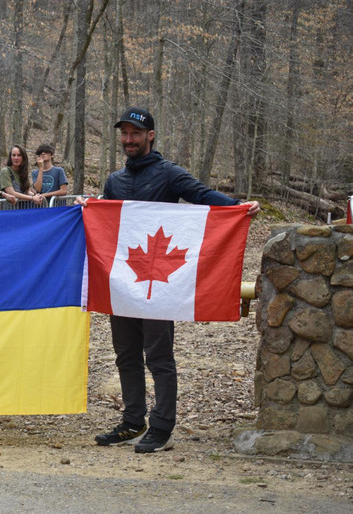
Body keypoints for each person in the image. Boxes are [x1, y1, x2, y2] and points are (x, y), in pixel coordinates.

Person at [90, 107, 260, 453]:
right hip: (124, 283)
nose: (128, 140)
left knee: (159, 356)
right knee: (125, 355)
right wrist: (88, 208)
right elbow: (107, 224)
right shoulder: (115, 180)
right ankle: (132, 421)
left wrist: (238, 207)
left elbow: (203, 196)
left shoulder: (169, 174)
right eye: (123, 134)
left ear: (150, 135)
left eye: (135, 134)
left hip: (160, 286)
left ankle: (162, 426)